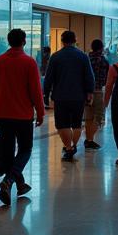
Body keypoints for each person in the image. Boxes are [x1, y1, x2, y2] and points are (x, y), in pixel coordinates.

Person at [0, 28, 45, 206]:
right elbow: (35, 91)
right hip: (23, 115)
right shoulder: (29, 62)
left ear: (8, 41)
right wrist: (40, 112)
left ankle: (19, 184)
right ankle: (9, 180)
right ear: (24, 41)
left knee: (8, 151)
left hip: (2, 114)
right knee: (25, 149)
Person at [42, 30, 94, 162]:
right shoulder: (83, 56)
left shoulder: (56, 57)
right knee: (76, 123)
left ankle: (68, 147)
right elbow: (89, 76)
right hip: (79, 96)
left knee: (62, 124)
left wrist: (46, 93)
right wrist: (89, 92)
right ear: (75, 40)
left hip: (60, 96)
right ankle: (74, 145)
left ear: (62, 40)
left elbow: (49, 78)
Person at [85, 39, 109, 151]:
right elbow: (105, 78)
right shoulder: (103, 60)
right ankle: (89, 139)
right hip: (98, 91)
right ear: (101, 48)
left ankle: (89, 140)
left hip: (86, 92)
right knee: (98, 116)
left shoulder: (86, 59)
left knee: (88, 117)